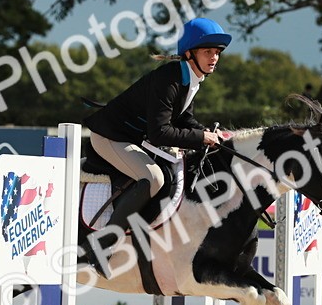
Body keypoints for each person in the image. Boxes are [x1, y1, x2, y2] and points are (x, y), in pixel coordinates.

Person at [80, 16, 231, 273]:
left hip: (132, 138)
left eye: (217, 52)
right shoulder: (169, 79)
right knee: (153, 178)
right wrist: (201, 138)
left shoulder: (190, 78)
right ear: (190, 53)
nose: (214, 57)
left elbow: (183, 118)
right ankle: (102, 245)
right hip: (110, 137)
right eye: (208, 51)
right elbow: (160, 132)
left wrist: (206, 133)